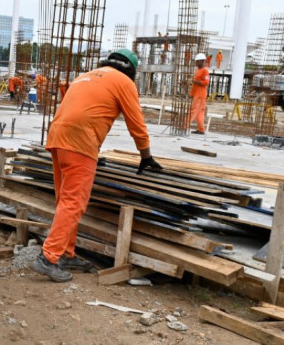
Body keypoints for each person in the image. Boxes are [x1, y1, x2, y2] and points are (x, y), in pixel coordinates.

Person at [32, 49, 162, 282]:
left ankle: (66, 254)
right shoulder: (123, 82)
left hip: (57, 137)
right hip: (80, 141)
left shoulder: (86, 75)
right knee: (74, 202)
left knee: (66, 201)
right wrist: (146, 156)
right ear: (131, 70)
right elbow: (136, 123)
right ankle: (48, 258)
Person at [187, 53, 210, 135]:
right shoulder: (198, 70)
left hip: (200, 95)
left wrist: (195, 81)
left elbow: (206, 82)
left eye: (197, 61)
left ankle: (184, 126)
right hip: (197, 94)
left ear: (202, 61)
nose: (196, 63)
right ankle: (201, 129)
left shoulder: (205, 71)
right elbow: (195, 84)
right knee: (200, 113)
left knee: (193, 111)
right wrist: (191, 93)